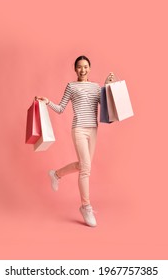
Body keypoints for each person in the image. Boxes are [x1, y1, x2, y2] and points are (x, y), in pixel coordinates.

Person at [36, 55, 115, 227]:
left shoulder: (96, 87)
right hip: (78, 128)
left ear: (90, 68)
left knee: (82, 165)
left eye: (85, 66)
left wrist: (108, 85)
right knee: (86, 168)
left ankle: (56, 174)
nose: (82, 70)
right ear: (75, 69)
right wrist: (47, 102)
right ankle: (85, 206)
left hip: (93, 129)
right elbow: (61, 108)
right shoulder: (71, 86)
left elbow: (106, 106)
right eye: (79, 67)